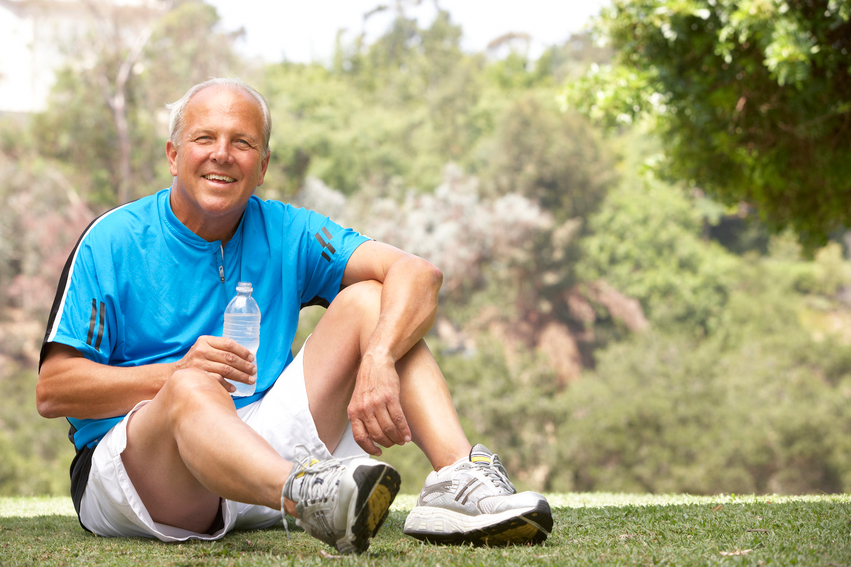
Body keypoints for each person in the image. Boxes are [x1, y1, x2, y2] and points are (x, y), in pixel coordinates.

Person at [36, 78, 552, 553]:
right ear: (173, 155)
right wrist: (175, 376)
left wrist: (378, 359)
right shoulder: (113, 238)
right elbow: (53, 390)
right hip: (143, 474)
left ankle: (458, 481)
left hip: (259, 446)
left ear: (262, 166)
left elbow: (418, 274)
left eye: (242, 142)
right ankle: (306, 496)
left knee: (375, 298)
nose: (222, 154)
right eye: (204, 139)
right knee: (193, 389)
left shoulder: (287, 230)